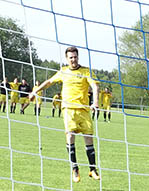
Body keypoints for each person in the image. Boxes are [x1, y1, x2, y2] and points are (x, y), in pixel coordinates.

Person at [30, 46, 100, 183]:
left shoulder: (86, 72)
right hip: (68, 109)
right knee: (70, 136)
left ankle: (92, 169)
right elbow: (49, 82)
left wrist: (95, 102)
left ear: (78, 57)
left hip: (84, 110)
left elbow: (95, 86)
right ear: (67, 59)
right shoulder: (63, 71)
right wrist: (35, 91)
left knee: (89, 139)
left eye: (75, 57)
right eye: (70, 57)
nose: (73, 60)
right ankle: (75, 168)